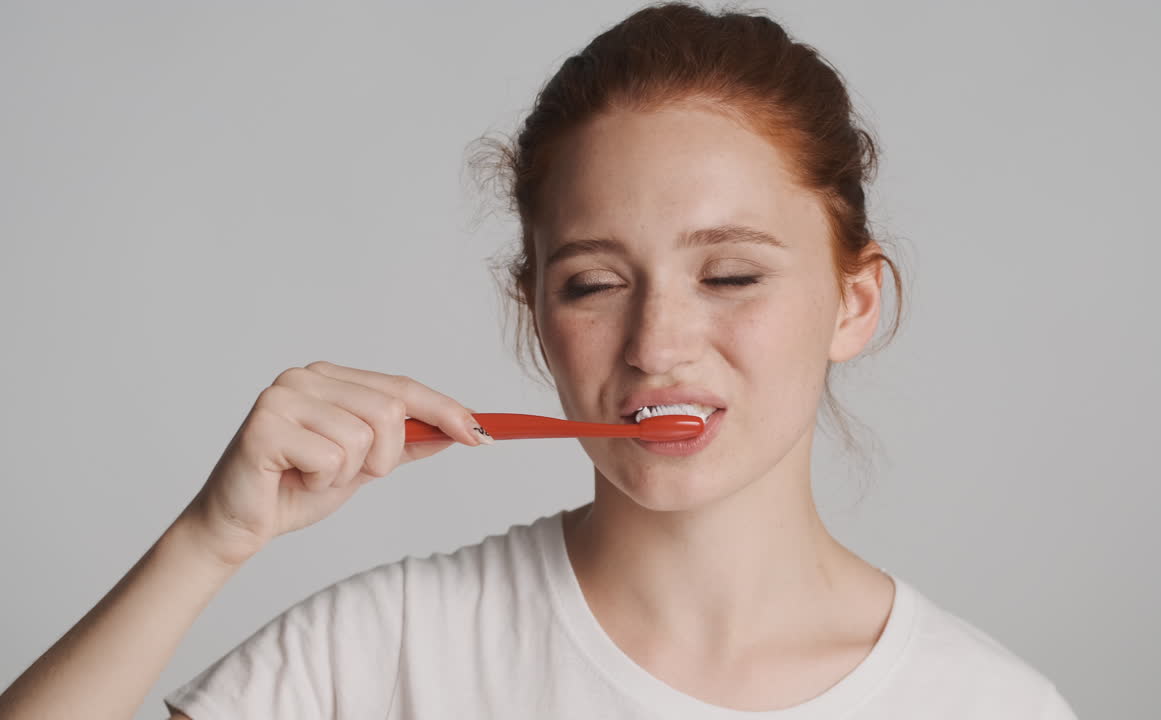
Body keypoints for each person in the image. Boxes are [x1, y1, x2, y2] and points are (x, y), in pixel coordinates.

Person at [0, 3, 1079, 718]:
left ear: (853, 303)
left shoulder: (987, 704)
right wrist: (206, 542)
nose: (657, 345)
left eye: (731, 276)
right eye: (593, 283)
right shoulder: (386, 654)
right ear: (536, 313)